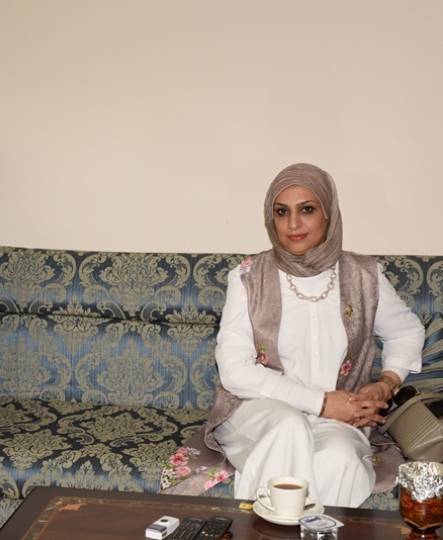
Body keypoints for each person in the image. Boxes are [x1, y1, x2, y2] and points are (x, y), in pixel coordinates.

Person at [160, 163, 424, 508]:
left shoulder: (364, 275)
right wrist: (321, 402)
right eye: (282, 212)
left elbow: (406, 332)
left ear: (328, 213)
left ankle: (315, 530)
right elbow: (234, 370)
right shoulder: (249, 277)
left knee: (342, 458)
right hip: (258, 412)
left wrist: (386, 384)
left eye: (307, 210)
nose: (293, 224)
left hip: (338, 418)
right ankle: (262, 529)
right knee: (289, 425)